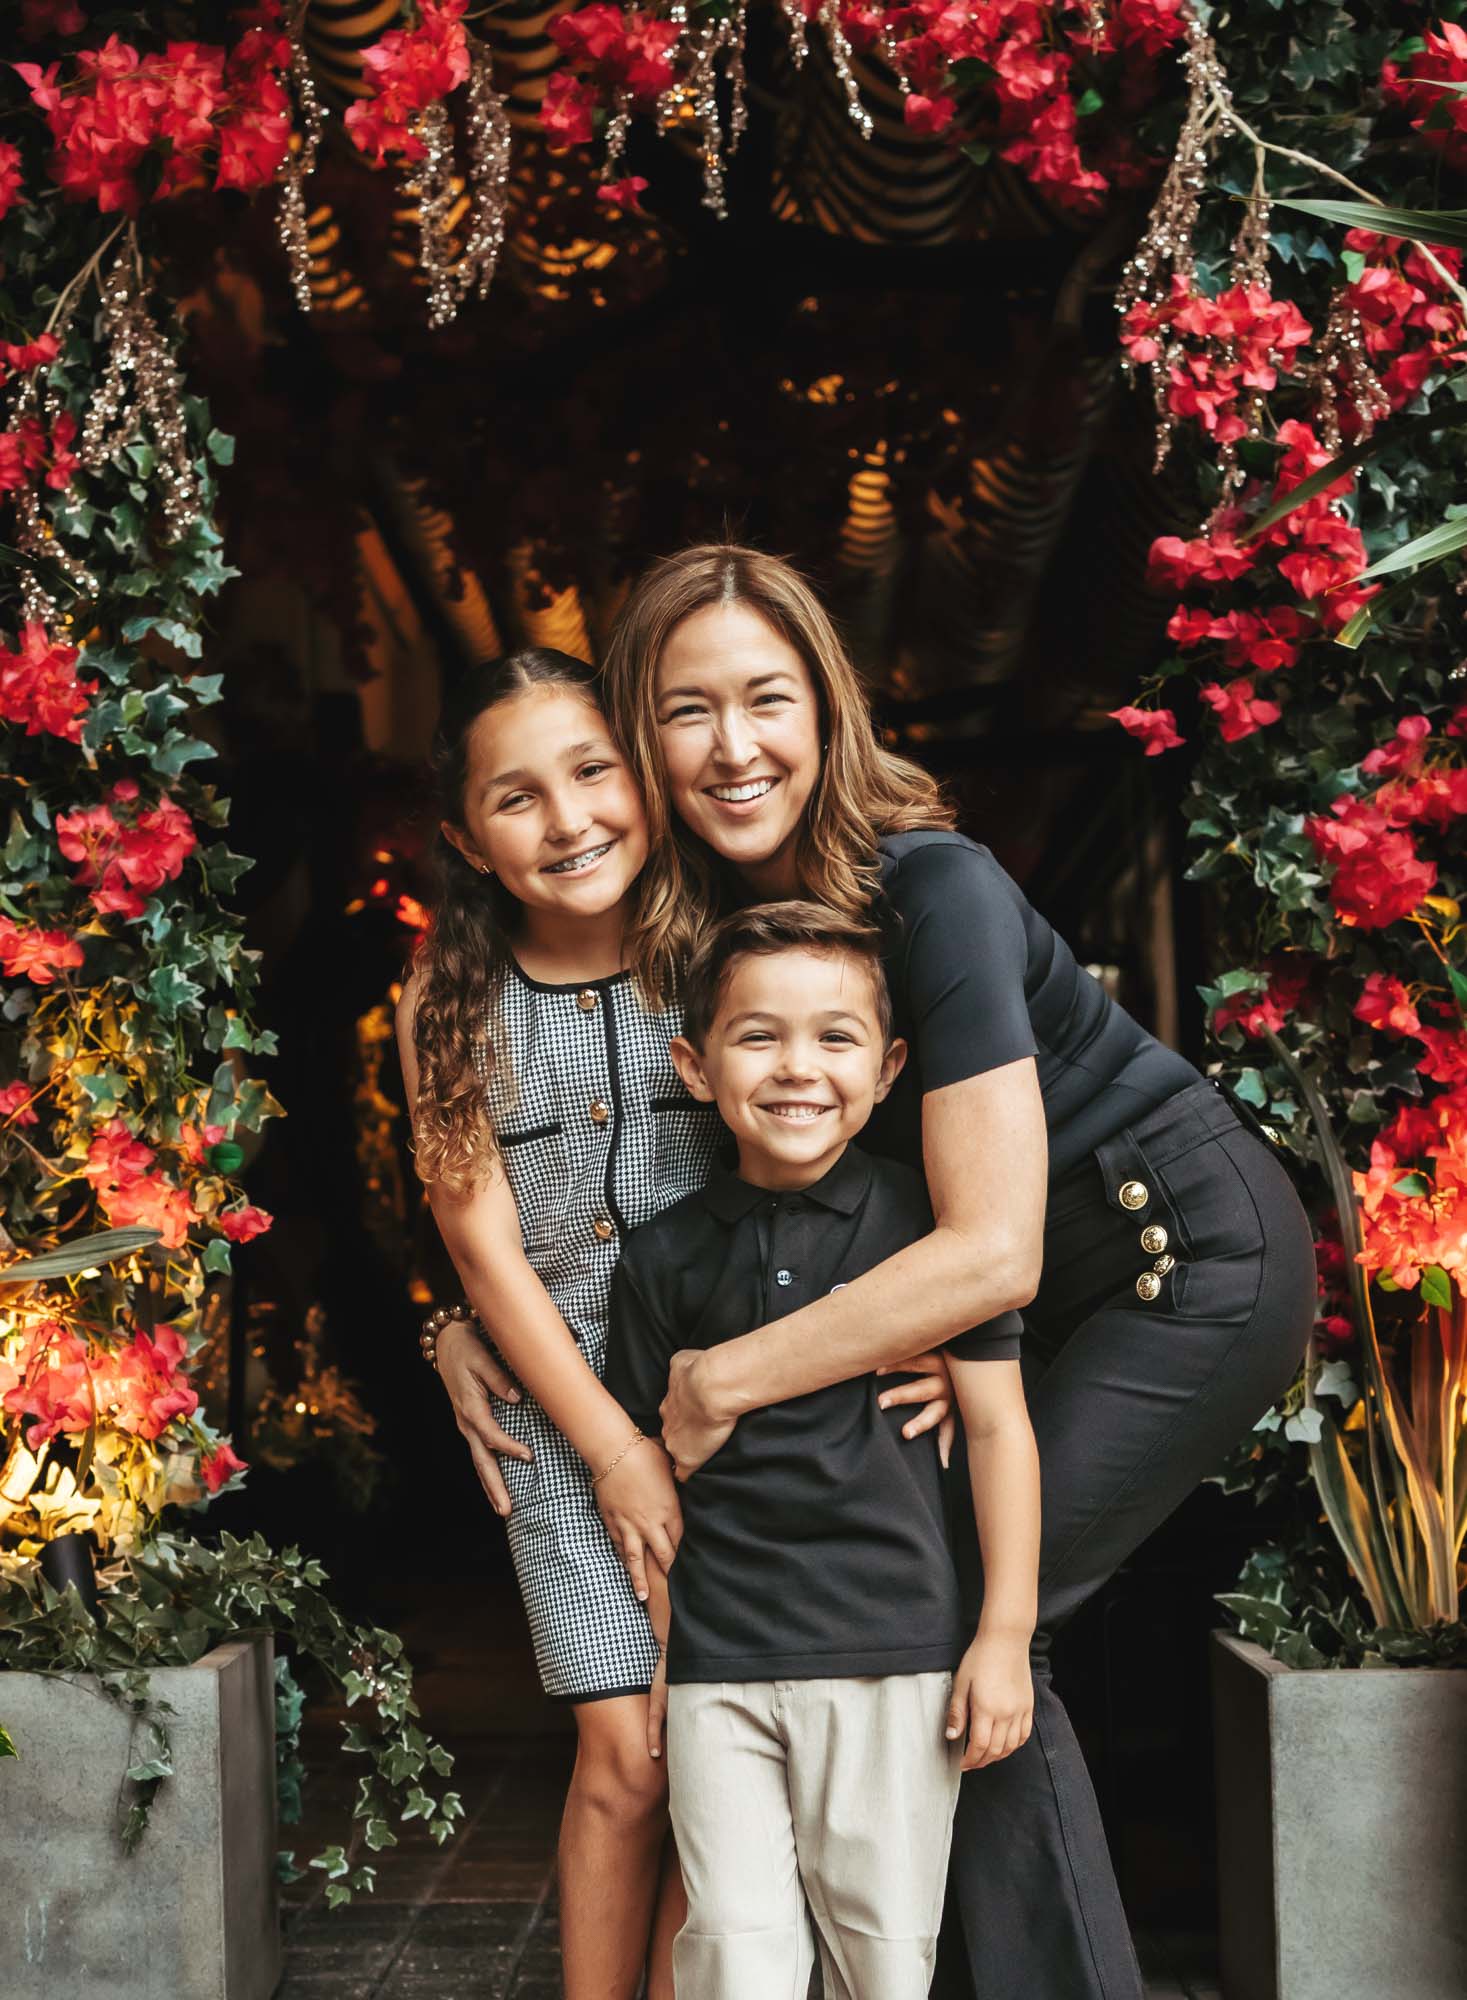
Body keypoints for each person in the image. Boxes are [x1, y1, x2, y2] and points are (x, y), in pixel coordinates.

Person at [597, 543, 1318, 2000]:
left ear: (828, 710)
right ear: (640, 736)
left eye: (764, 698)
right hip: (1033, 1297)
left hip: (1184, 1262)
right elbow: (611, 1180)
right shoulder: (727, 936)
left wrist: (722, 1377)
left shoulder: (932, 885)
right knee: (928, 1636)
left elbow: (990, 1244)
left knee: (963, 1628)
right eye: (685, 710)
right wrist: (459, 1326)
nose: (731, 746)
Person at [394, 647, 954, 1999]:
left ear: (644, 784)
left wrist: (925, 1324)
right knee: (627, 1756)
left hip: (748, 1427)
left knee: (713, 1756)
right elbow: (480, 1246)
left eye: (593, 771)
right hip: (562, 1429)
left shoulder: (721, 958)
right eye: (516, 797)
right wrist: (596, 1438)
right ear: (468, 838)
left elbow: (839, 1160)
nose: (569, 816)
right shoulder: (445, 1001)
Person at [603, 901, 1040, 2000]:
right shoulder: (663, 1255)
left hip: (895, 1653)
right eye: (758, 1034)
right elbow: (657, 1480)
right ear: (694, 1065)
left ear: (891, 1066)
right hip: (722, 1666)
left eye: (835, 1036)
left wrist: (1003, 1633)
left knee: (884, 1957)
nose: (799, 1066)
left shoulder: (932, 1232)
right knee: (734, 1955)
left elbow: (997, 1425)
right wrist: (666, 1650)